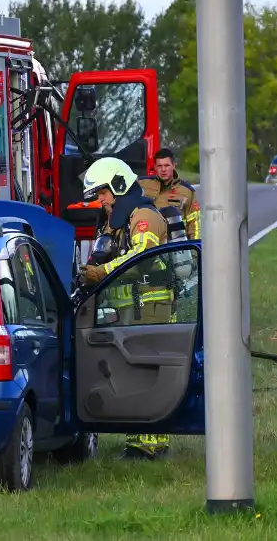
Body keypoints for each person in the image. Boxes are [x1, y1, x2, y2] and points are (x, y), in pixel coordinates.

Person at [76, 157, 174, 461]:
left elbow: (139, 258)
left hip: (151, 305)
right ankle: (138, 440)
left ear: (119, 185)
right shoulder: (119, 218)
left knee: (148, 371)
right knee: (132, 372)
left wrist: (99, 273)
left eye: (103, 193)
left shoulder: (143, 216)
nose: (101, 200)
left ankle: (150, 445)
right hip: (131, 308)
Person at [138, 148, 201, 240]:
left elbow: (194, 225)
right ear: (155, 167)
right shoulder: (142, 184)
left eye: (166, 165)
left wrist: (194, 252)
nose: (163, 169)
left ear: (174, 166)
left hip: (175, 246)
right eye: (159, 166)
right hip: (149, 245)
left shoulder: (187, 191)